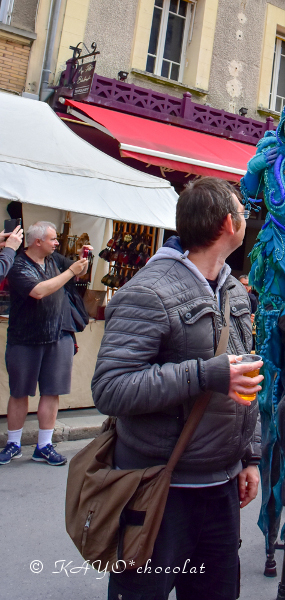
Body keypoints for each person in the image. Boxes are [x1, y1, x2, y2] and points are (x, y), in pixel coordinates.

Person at [92, 177, 263, 600]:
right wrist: (205, 375)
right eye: (243, 212)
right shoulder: (149, 291)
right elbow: (111, 388)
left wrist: (250, 456)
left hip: (220, 489)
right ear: (229, 223)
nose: (245, 219)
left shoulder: (233, 290)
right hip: (159, 490)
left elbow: (246, 378)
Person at [0, 222, 90, 466]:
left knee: (52, 391)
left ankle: (44, 445)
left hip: (58, 335)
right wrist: (71, 272)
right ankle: (14, 444)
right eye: (52, 239)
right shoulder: (17, 265)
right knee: (19, 392)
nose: (56, 242)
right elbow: (39, 291)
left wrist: (84, 260)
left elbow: (77, 272)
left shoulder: (55, 259)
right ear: (36, 241)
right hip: (25, 338)